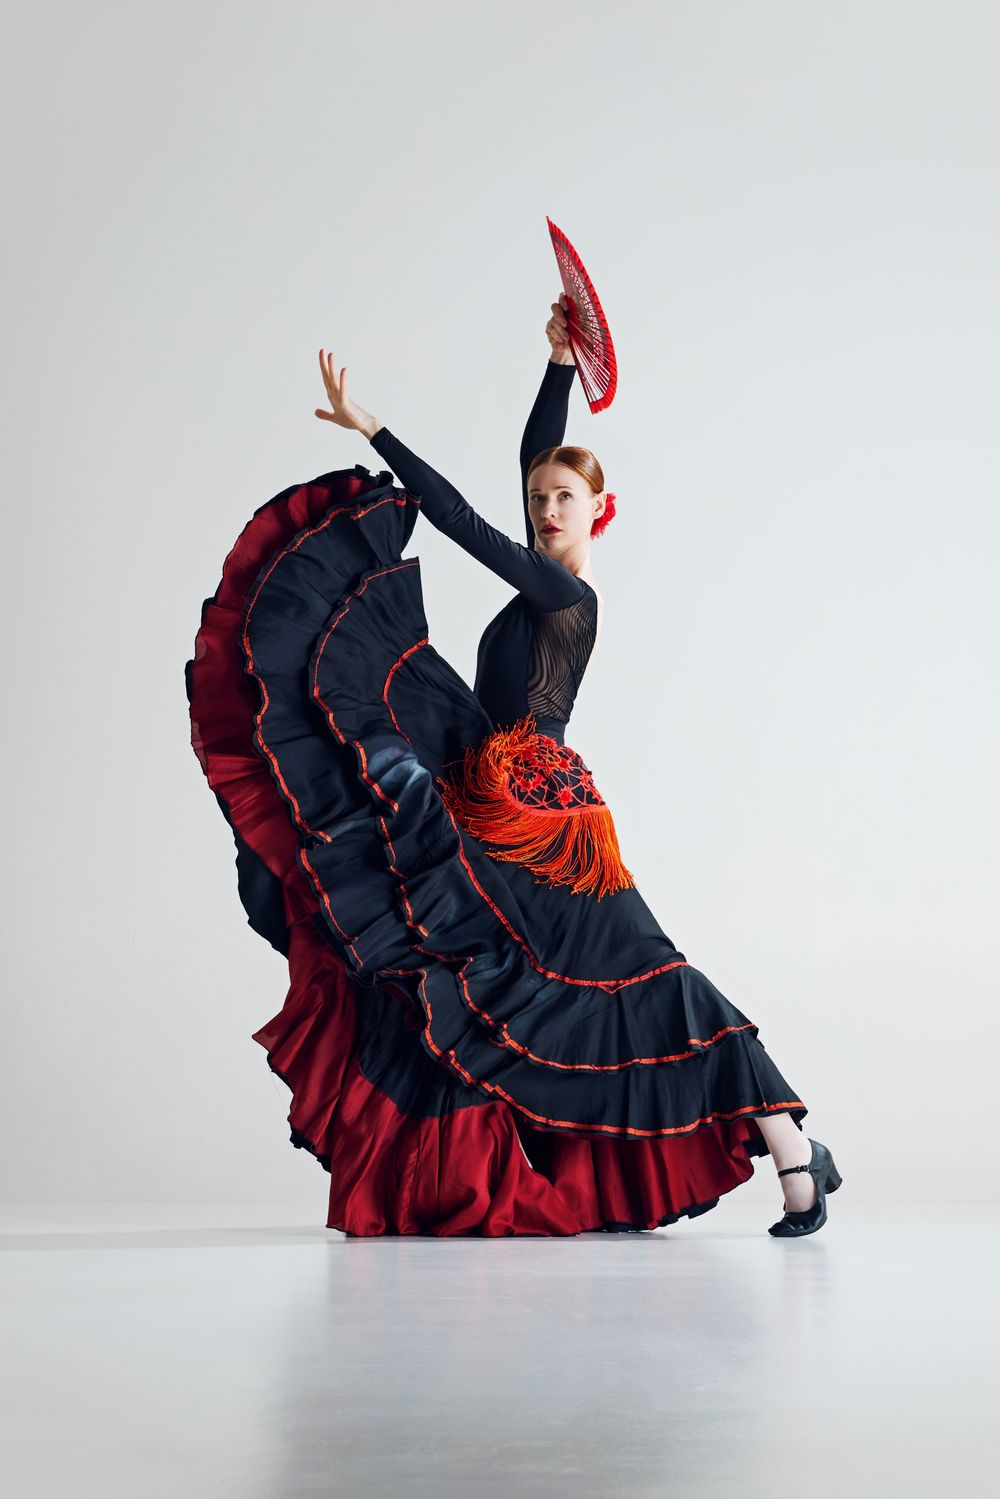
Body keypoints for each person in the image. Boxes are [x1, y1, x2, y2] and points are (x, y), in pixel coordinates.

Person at [186, 296, 841, 1238]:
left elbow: (457, 517)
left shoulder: (564, 590)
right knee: (511, 968)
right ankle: (772, 1154)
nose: (545, 510)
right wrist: (559, 364)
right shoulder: (548, 564)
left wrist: (374, 428)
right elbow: (536, 455)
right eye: (538, 499)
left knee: (650, 975)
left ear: (600, 512)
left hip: (545, 818)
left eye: (563, 499)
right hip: (500, 794)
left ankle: (794, 1150)